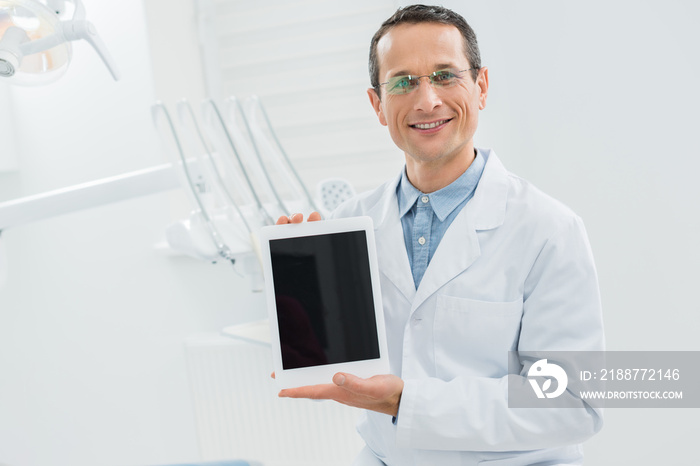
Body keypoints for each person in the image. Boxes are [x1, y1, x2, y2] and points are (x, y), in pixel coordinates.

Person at [276, 4, 605, 465]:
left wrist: (406, 402)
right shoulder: (352, 224)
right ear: (377, 104)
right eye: (403, 82)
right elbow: (328, 363)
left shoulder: (548, 229)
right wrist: (295, 284)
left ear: (481, 86)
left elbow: (573, 404)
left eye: (445, 75)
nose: (426, 100)